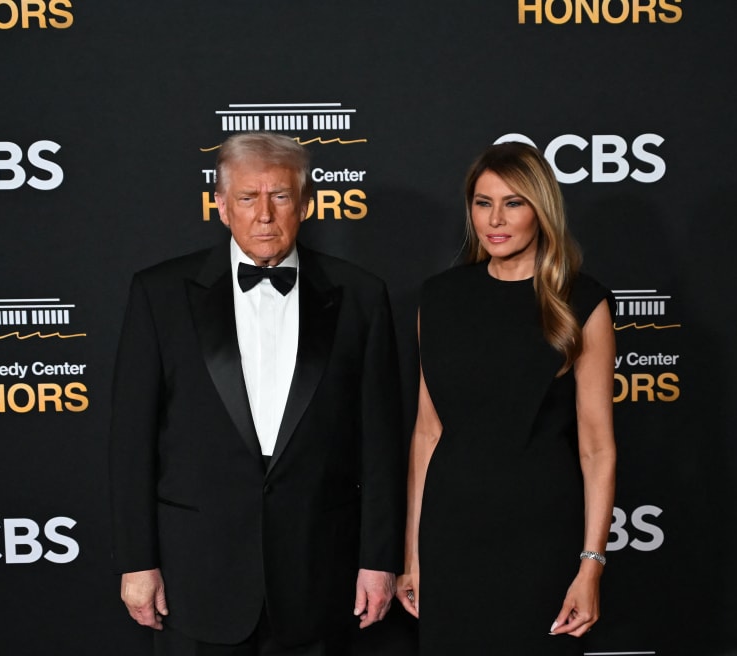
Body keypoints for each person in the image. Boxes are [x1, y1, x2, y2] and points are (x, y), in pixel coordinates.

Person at [109, 132, 404, 655]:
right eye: (247, 198)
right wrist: (138, 561)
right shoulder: (159, 294)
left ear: (305, 204)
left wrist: (378, 560)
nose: (264, 215)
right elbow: (131, 442)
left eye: (281, 196)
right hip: (194, 579)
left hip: (318, 573)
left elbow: (380, 443)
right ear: (221, 206)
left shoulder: (360, 296)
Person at [395, 141, 617, 655]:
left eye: (513, 203)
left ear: (541, 210)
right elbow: (427, 433)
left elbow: (597, 447)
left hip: (541, 535)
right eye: (482, 202)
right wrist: (414, 555)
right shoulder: (440, 297)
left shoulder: (581, 302)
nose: (495, 219)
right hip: (451, 532)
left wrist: (591, 567)